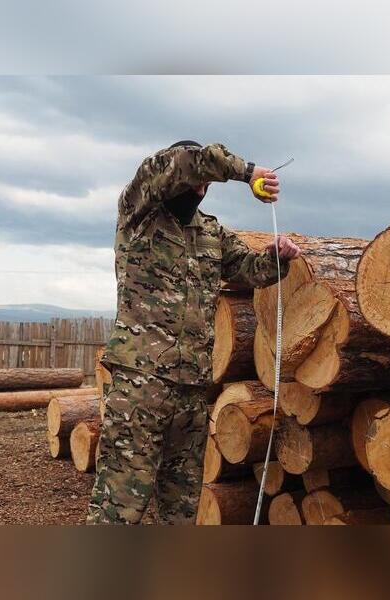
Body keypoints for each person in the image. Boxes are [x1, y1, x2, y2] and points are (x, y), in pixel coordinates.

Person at [88, 141, 301, 524]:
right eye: (196, 182)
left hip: (191, 391)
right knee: (118, 509)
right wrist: (249, 172)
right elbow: (188, 161)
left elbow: (247, 270)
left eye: (206, 185)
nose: (200, 191)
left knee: (182, 510)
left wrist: (276, 257)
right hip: (142, 386)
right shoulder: (139, 212)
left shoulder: (210, 232)